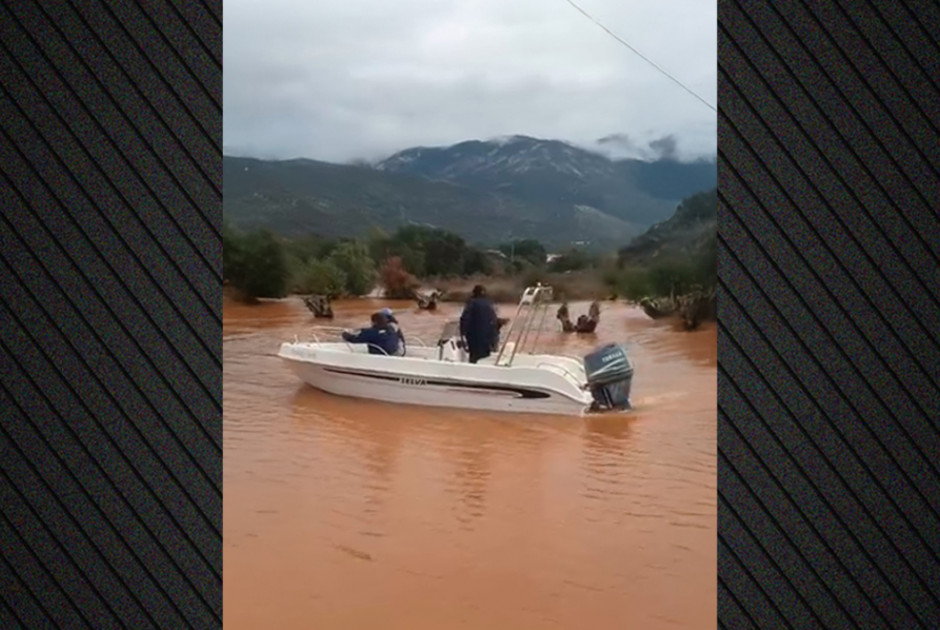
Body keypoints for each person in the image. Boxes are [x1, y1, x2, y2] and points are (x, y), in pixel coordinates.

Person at [459, 284, 499, 363]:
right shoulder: (489, 304)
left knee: (474, 357)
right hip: (488, 338)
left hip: (475, 337)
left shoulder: (472, 303)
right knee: (484, 357)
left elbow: (465, 319)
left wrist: (462, 333)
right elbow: (494, 321)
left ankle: (471, 370)